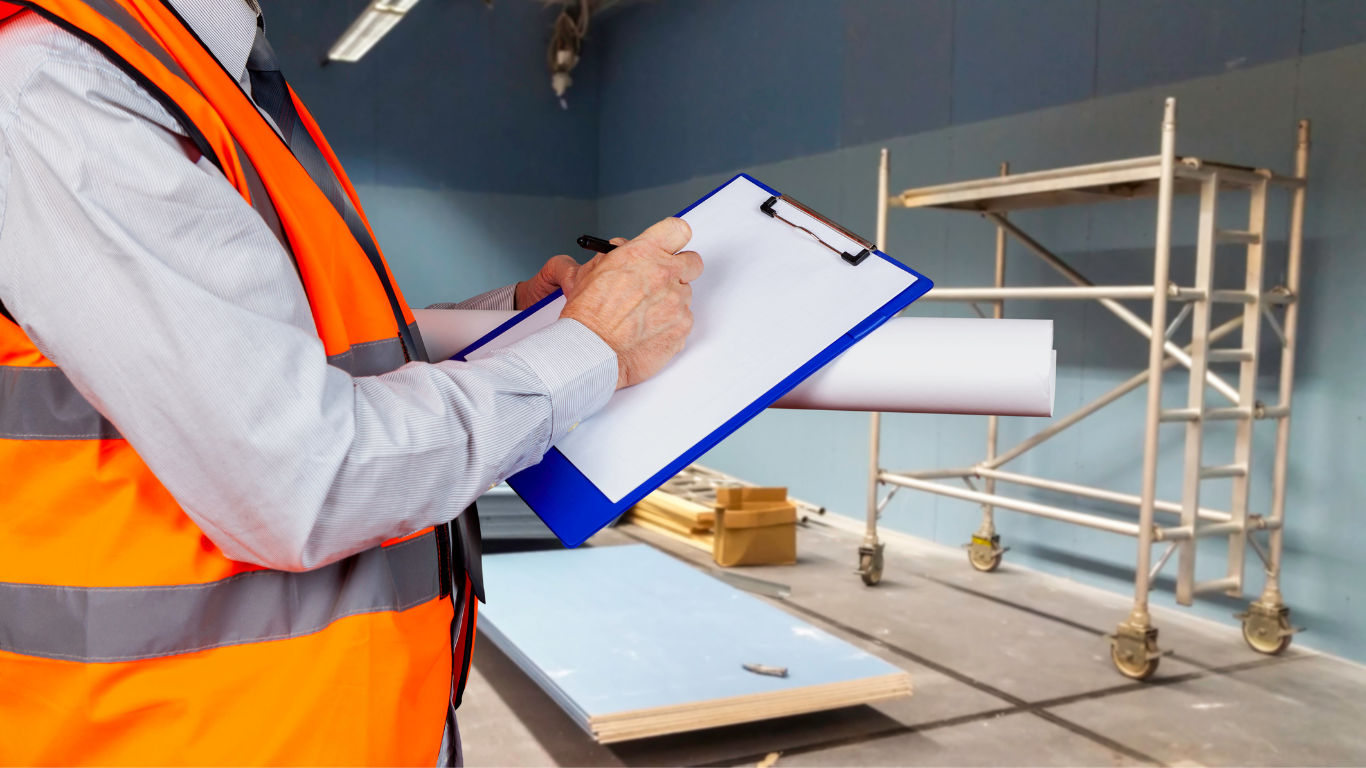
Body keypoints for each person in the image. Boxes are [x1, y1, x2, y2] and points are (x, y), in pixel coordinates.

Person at [0, 0, 702, 764]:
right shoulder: (61, 86)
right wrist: (589, 349)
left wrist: (520, 320)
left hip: (337, 721)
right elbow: (304, 474)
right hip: (199, 734)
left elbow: (314, 349)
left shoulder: (207, 75)